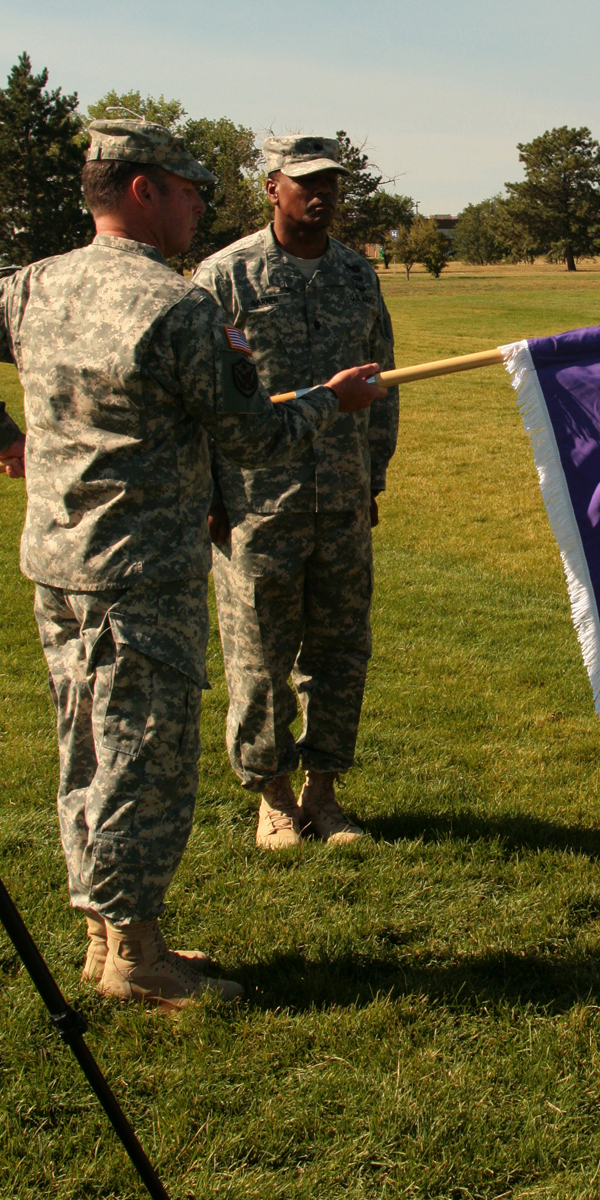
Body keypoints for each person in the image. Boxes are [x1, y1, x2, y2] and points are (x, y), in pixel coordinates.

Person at [0, 120, 385, 1009]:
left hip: (58, 567)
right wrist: (332, 401)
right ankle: (137, 957)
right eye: (187, 187)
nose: (199, 204)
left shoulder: (34, 284)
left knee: (84, 753)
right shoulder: (175, 306)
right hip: (139, 575)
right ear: (142, 190)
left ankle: (106, 939)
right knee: (141, 760)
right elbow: (256, 436)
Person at [193, 136, 398, 850]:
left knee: (341, 649)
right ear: (271, 188)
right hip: (256, 502)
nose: (321, 196)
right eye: (305, 183)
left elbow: (383, 382)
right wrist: (211, 495)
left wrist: (371, 474)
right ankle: (273, 796)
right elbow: (205, 398)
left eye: (332, 185)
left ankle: (325, 792)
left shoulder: (355, 275)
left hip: (340, 497)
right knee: (259, 655)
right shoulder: (226, 276)